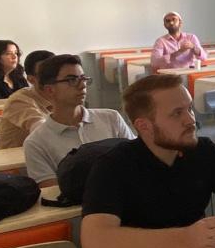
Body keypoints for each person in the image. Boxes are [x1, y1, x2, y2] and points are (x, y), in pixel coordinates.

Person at [80, 73, 215, 248]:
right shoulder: (112, 165)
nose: (190, 120)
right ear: (144, 126)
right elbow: (95, 243)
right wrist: (185, 239)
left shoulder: (203, 150)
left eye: (190, 108)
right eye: (177, 113)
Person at [22, 54, 135, 185]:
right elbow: (51, 189)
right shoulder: (36, 142)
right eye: (72, 80)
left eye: (83, 78)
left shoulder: (111, 118)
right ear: (50, 90)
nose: (82, 85)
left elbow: (137, 158)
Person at [0, 49, 54, 148]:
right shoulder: (18, 101)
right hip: (17, 157)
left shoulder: (63, 95)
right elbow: (42, 130)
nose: (55, 77)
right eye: (46, 75)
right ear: (31, 79)